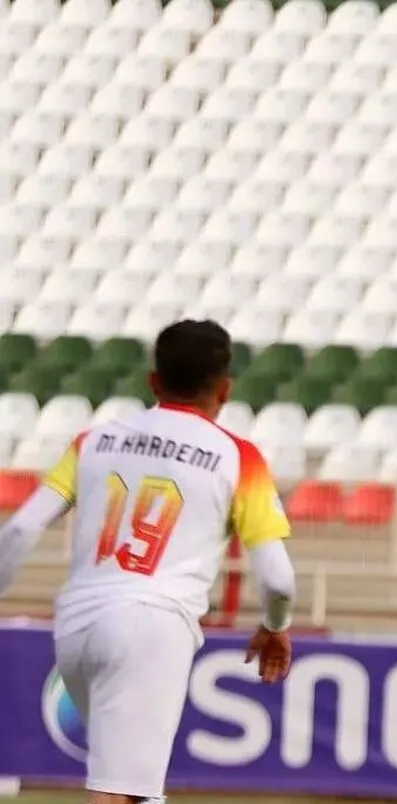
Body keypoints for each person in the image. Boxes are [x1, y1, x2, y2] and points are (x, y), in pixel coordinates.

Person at [0, 320, 296, 804]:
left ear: (154, 381)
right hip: (152, 624)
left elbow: (20, 529)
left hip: (75, 626)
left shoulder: (93, 441)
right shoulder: (237, 458)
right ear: (225, 389)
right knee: (117, 792)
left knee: (138, 788)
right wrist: (275, 625)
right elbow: (278, 580)